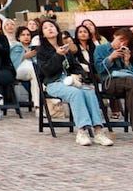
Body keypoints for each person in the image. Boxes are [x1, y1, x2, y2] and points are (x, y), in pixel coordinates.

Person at [35, 19, 112, 147]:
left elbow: (76, 67)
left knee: (89, 91)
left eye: (52, 26)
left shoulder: (65, 47)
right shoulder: (42, 51)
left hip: (71, 81)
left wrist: (78, 75)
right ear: (42, 34)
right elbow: (46, 71)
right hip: (54, 83)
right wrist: (58, 55)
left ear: (57, 30)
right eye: (46, 27)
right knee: (76, 93)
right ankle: (82, 131)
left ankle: (98, 131)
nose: (50, 28)